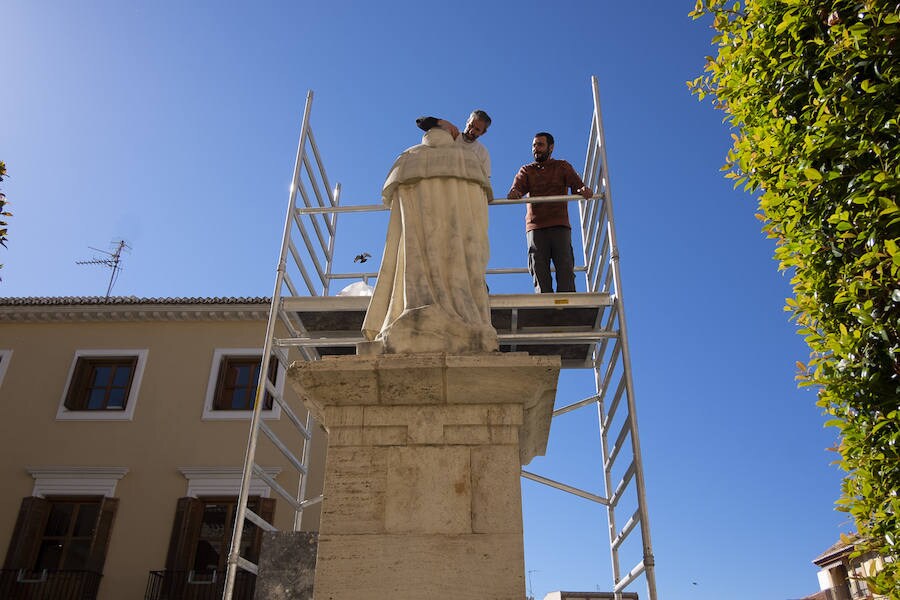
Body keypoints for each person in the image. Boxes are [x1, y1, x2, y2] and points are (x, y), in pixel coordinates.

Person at [361, 120, 498, 355]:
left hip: (415, 244)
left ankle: (411, 309)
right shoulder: (467, 161)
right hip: (456, 245)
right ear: (450, 134)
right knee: (458, 272)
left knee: (413, 269)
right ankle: (461, 315)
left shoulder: (407, 158)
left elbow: (396, 219)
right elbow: (479, 209)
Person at [507, 132, 593, 294]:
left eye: (540, 145)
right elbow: (517, 187)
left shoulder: (562, 166)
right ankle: (544, 304)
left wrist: (582, 190)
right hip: (536, 226)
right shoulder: (527, 170)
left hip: (559, 224)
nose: (536, 149)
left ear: (550, 148)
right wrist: (515, 193)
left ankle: (566, 305)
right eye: (534, 145)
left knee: (565, 264)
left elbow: (577, 185)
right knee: (538, 266)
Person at [415, 109, 492, 177]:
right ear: (467, 121)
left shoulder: (482, 152)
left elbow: (485, 180)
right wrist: (441, 122)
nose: (472, 131)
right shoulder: (450, 133)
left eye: (477, 129)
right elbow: (419, 121)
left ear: (483, 132)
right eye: (471, 125)